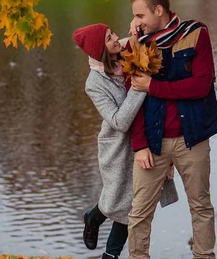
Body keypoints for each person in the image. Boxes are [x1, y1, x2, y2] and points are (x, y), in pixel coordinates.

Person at [126, 0, 217, 259]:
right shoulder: (138, 45)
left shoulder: (196, 35)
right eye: (135, 16)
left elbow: (201, 86)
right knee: (139, 212)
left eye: (140, 15)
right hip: (151, 144)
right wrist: (139, 145)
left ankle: (204, 257)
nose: (137, 21)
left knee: (201, 206)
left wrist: (153, 86)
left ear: (159, 10)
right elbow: (132, 102)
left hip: (191, 139)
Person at [73, 23, 178, 259]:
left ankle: (109, 255)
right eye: (110, 37)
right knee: (119, 201)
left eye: (113, 34)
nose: (116, 39)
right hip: (117, 147)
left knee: (132, 203)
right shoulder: (94, 83)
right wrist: (141, 86)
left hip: (145, 138)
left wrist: (141, 23)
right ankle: (93, 218)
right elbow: (118, 122)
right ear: (101, 48)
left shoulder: (124, 52)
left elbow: (146, 37)